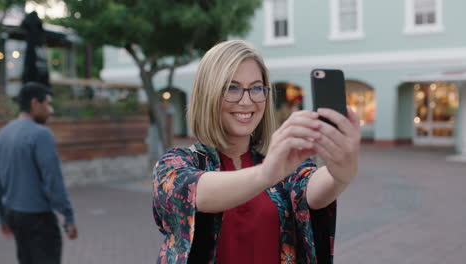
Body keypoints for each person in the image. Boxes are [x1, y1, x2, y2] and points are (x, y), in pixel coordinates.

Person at [152, 40, 360, 264]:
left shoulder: (279, 162)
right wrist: (266, 174)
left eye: (256, 88)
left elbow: (311, 190)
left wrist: (340, 172)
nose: (246, 100)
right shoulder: (175, 163)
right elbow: (193, 193)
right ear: (208, 94)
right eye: (232, 88)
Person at [0, 82, 78, 264]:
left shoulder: (3, 133)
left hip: (14, 215)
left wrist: (2, 217)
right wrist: (68, 216)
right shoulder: (41, 134)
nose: (51, 111)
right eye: (48, 104)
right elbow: (53, 180)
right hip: (38, 218)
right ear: (35, 103)